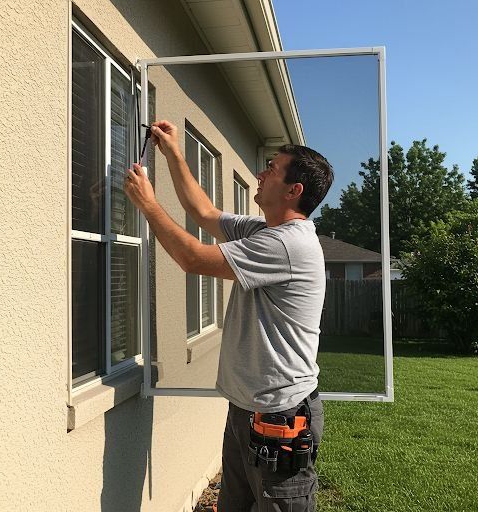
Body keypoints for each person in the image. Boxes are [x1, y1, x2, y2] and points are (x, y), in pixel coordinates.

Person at [124, 120, 333, 512]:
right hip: (248, 409)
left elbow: (192, 259)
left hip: (280, 417)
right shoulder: (263, 230)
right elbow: (202, 212)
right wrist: (171, 151)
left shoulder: (287, 244)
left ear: (294, 190)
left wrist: (148, 204)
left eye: (271, 168)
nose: (261, 172)